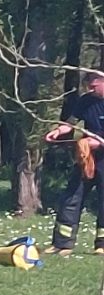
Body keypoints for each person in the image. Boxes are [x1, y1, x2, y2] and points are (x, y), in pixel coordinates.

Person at [47, 72, 104, 254]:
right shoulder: (85, 100)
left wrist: (99, 143)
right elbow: (72, 122)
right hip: (87, 157)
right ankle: (62, 243)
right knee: (71, 196)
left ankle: (102, 245)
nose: (91, 89)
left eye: (94, 86)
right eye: (88, 86)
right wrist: (59, 131)